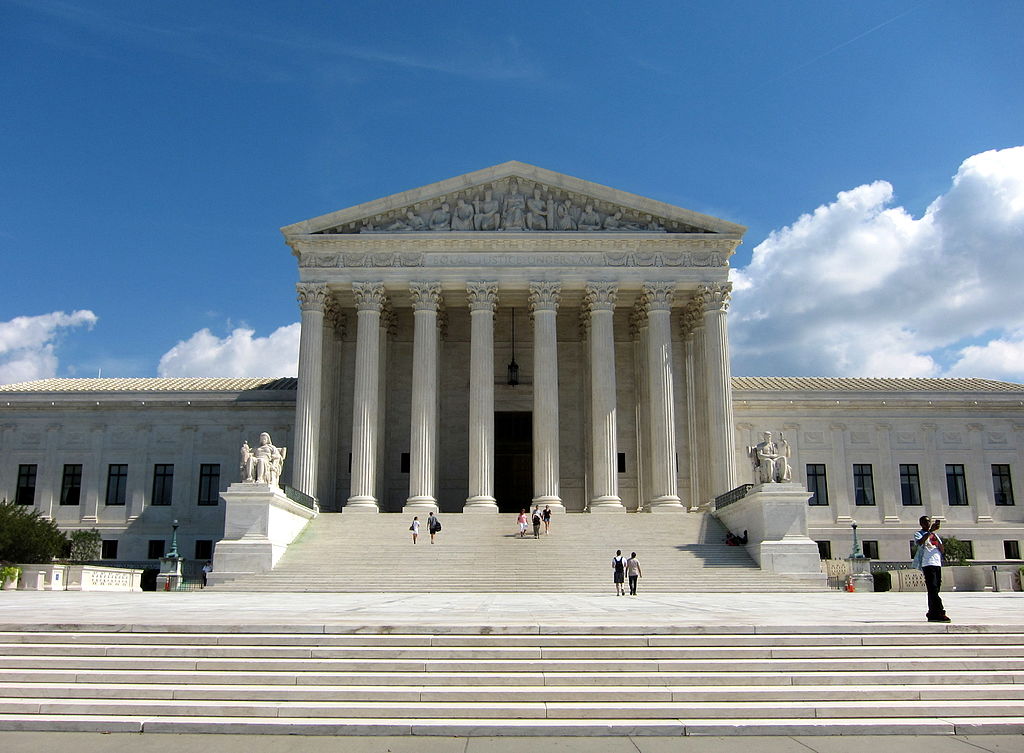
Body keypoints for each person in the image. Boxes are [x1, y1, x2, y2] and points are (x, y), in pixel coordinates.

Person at [914, 515, 950, 622]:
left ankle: (932, 613)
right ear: (921, 524)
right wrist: (930, 532)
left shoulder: (935, 535)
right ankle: (940, 612)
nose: (927, 524)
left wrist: (935, 537)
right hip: (927, 564)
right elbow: (920, 543)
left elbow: (942, 549)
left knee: (935, 590)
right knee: (933, 588)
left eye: (929, 522)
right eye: (925, 522)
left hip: (937, 563)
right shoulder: (919, 534)